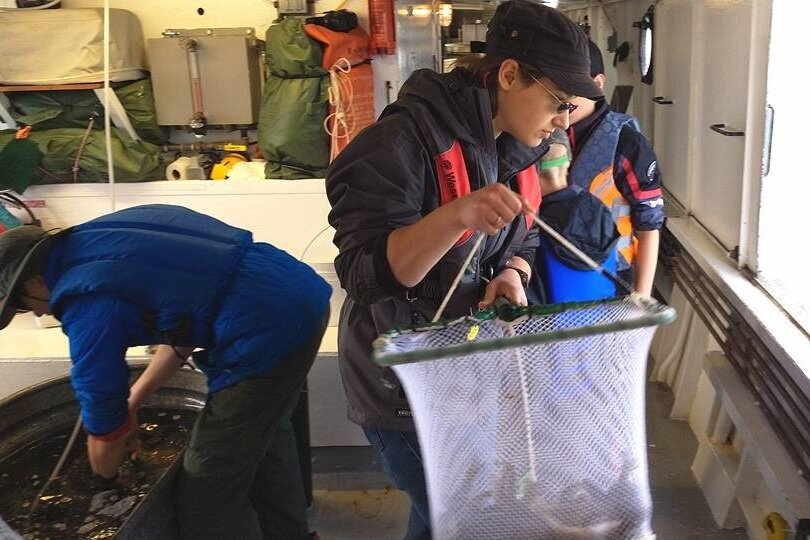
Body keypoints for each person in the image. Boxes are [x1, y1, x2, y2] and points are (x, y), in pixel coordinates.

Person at [325, 2, 602, 538]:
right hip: (404, 390)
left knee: (441, 521)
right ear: (508, 74)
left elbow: (520, 229)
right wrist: (456, 215)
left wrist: (513, 272)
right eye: (559, 102)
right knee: (468, 520)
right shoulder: (401, 143)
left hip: (464, 375)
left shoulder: (511, 146)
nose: (563, 121)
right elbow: (362, 275)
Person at [0, 204, 331, 540]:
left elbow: (103, 421)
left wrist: (105, 483)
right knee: (267, 433)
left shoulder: (85, 303)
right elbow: (181, 335)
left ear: (36, 280)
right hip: (298, 292)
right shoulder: (106, 237)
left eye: (22, 304)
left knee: (205, 484)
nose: (35, 311)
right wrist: (134, 401)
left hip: (265, 326)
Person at [566, 39, 665, 297]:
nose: (560, 100)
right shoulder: (538, 134)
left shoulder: (628, 144)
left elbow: (649, 226)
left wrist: (641, 298)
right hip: (550, 271)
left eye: (569, 90)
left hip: (613, 277)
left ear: (597, 84)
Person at [526, 129, 620, 304]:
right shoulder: (600, 211)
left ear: (528, 173)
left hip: (546, 328)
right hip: (603, 323)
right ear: (568, 161)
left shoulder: (531, 227)